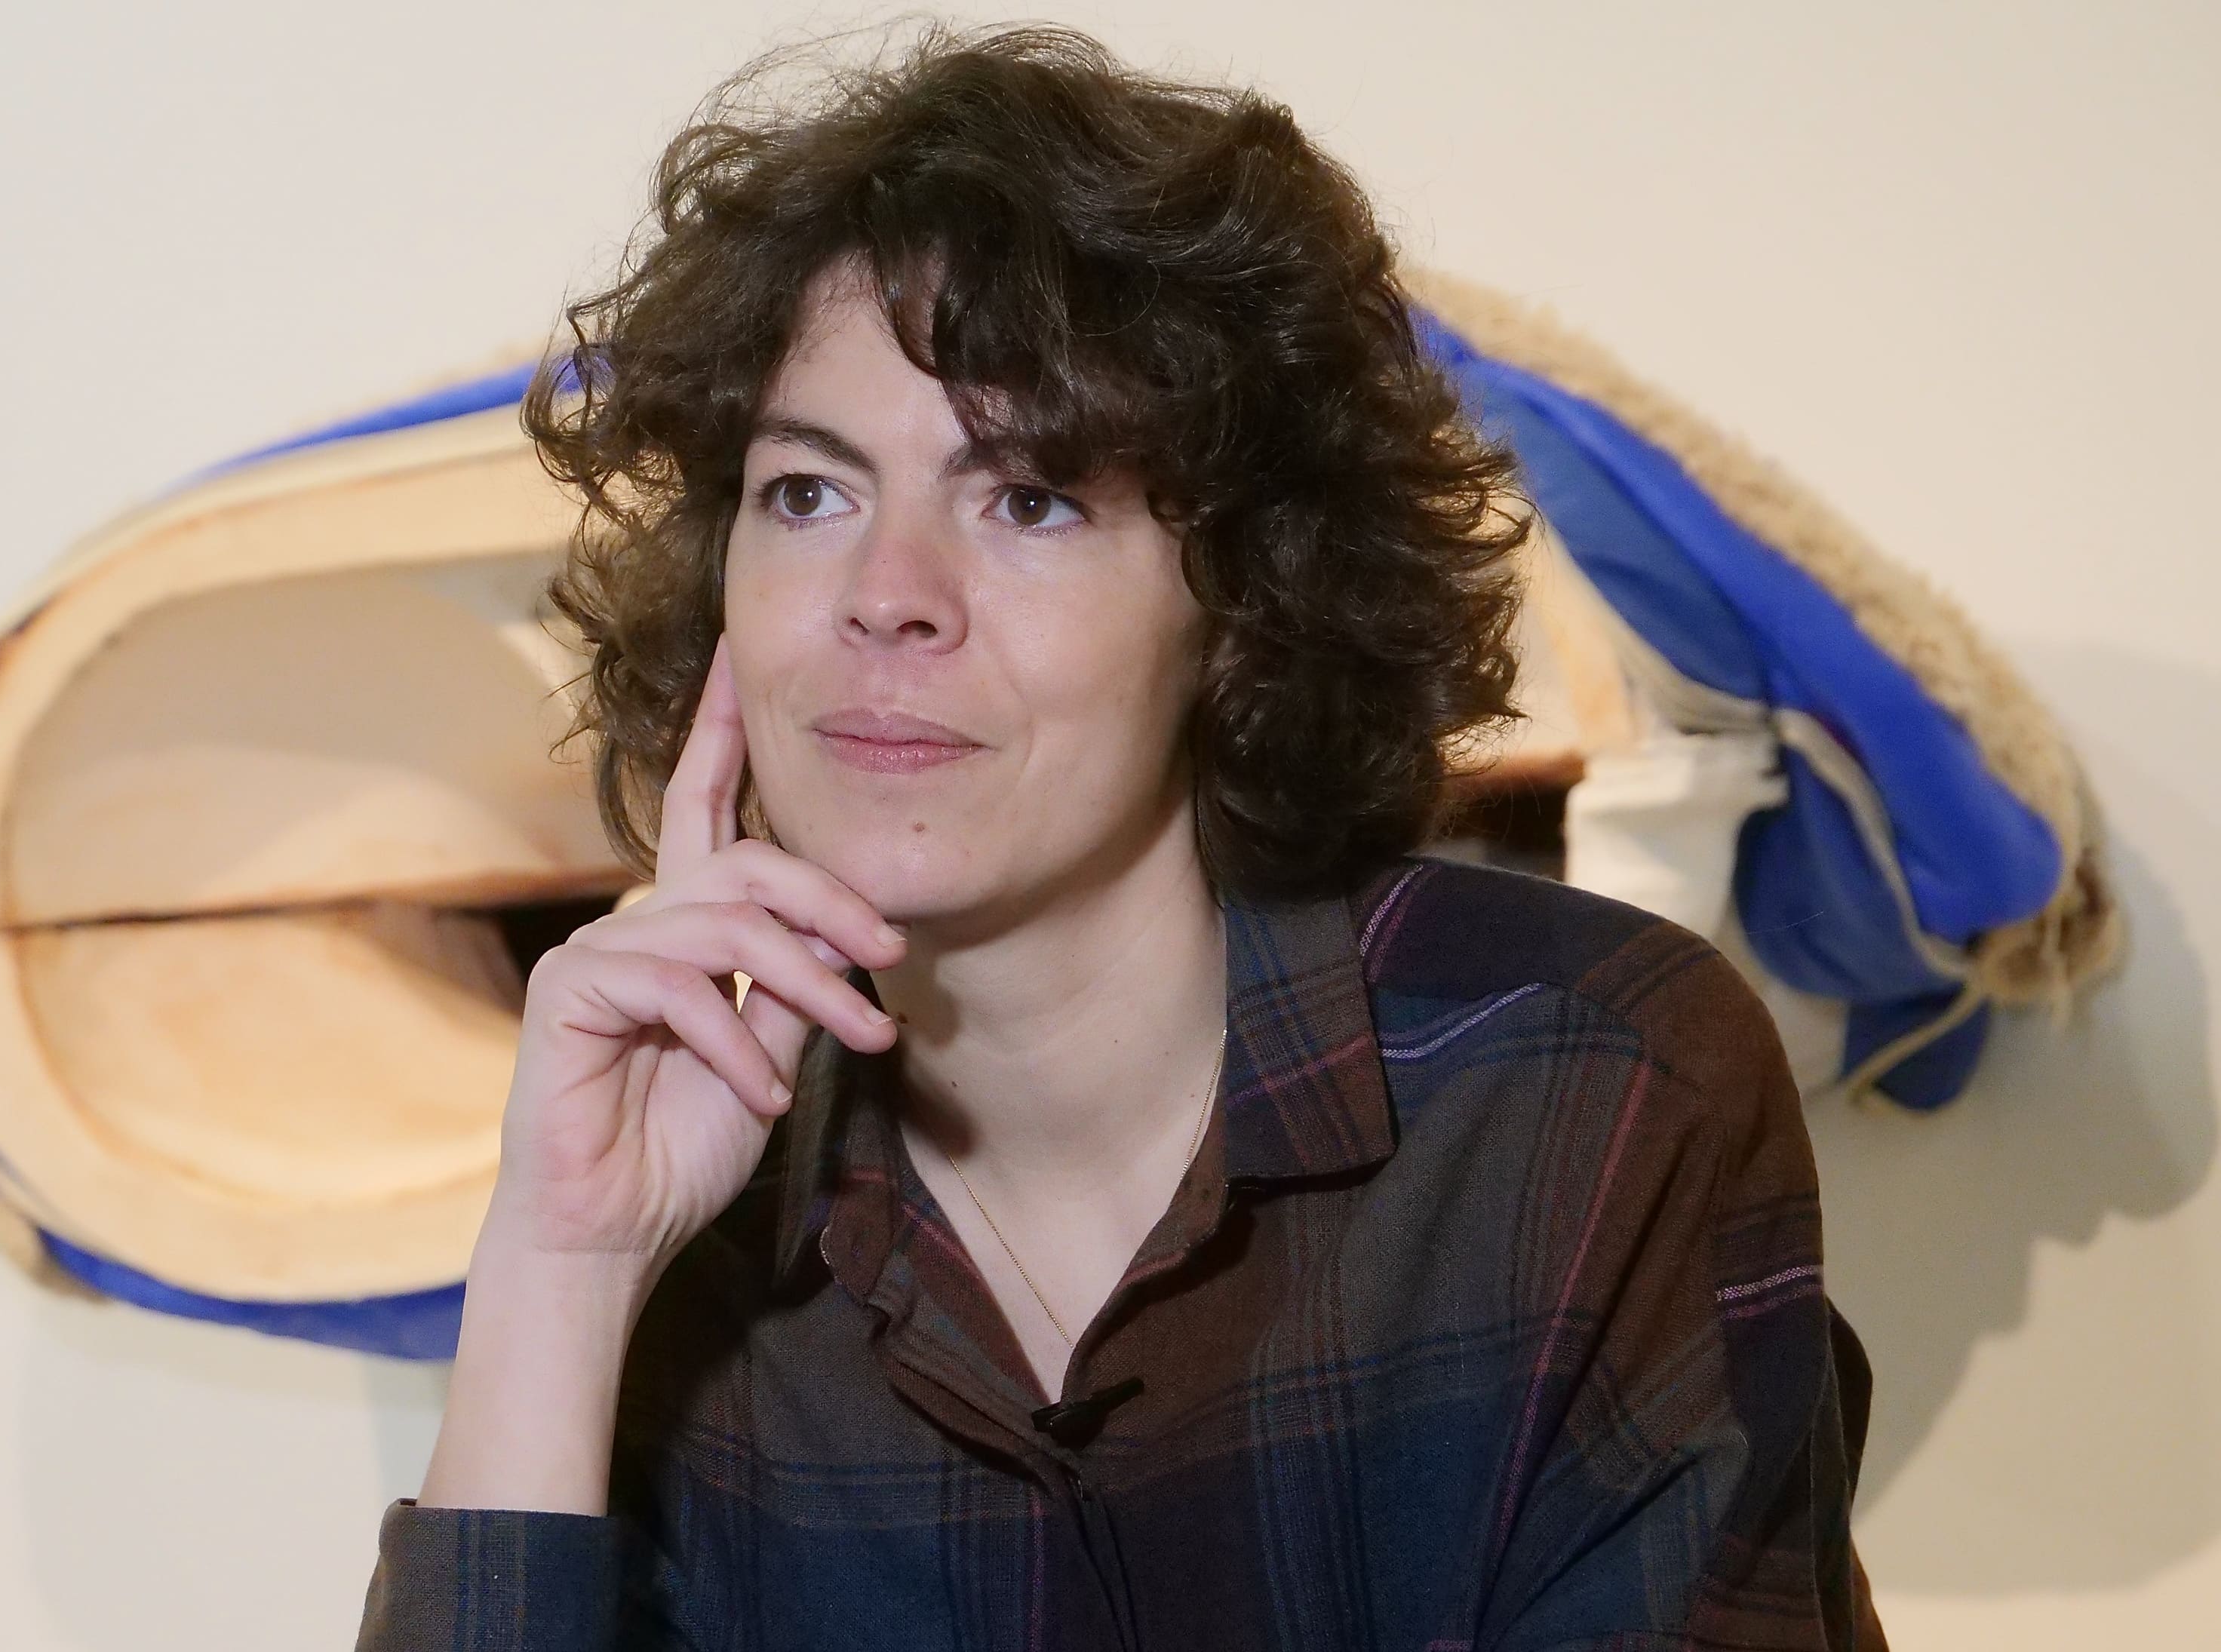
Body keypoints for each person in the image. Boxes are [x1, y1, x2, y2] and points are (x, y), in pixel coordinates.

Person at [358, 22, 1882, 1651]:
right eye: (808, 492)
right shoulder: (688, 1227)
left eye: (1029, 498)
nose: (885, 596)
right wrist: (563, 1273)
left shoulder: (1587, 1087)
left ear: (1241, 598)